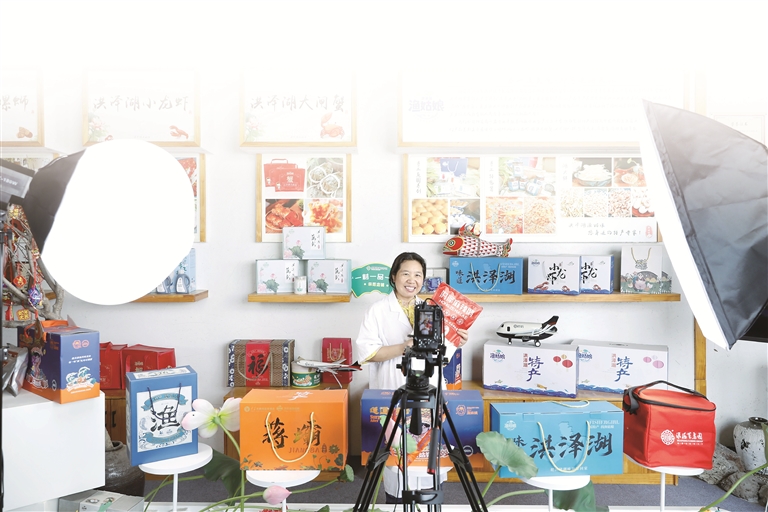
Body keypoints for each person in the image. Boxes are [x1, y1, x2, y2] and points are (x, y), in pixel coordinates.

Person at [356, 251, 469, 503]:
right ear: (394, 276)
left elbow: (443, 353)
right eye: (406, 273)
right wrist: (404, 347)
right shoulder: (377, 311)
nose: (412, 280)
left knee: (430, 455)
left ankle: (431, 499)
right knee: (398, 457)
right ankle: (396, 501)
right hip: (394, 384)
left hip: (430, 387)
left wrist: (457, 340)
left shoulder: (432, 309)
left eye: (418, 275)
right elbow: (367, 353)